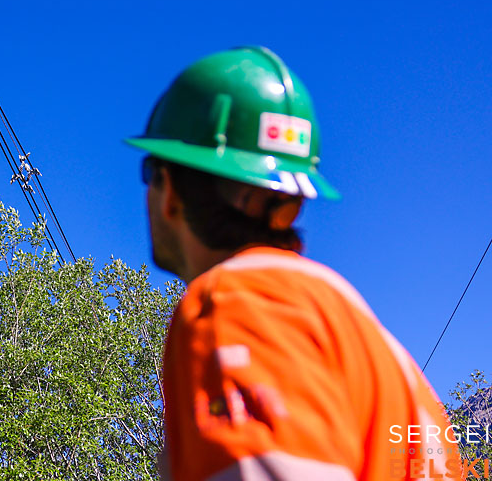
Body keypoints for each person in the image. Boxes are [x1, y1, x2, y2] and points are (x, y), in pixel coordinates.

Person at [125, 46, 459, 481]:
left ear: (169, 188)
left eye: (149, 173)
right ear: (294, 202)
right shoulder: (369, 340)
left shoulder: (237, 306)